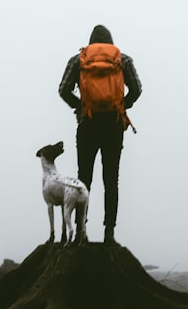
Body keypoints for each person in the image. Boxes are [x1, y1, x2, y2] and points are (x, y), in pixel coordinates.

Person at [58, 25, 142, 244]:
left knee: (83, 180)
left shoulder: (79, 60)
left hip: (88, 124)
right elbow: (137, 89)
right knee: (111, 180)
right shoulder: (123, 60)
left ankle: (80, 232)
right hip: (113, 124)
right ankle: (109, 233)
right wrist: (123, 104)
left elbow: (63, 89)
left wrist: (80, 106)